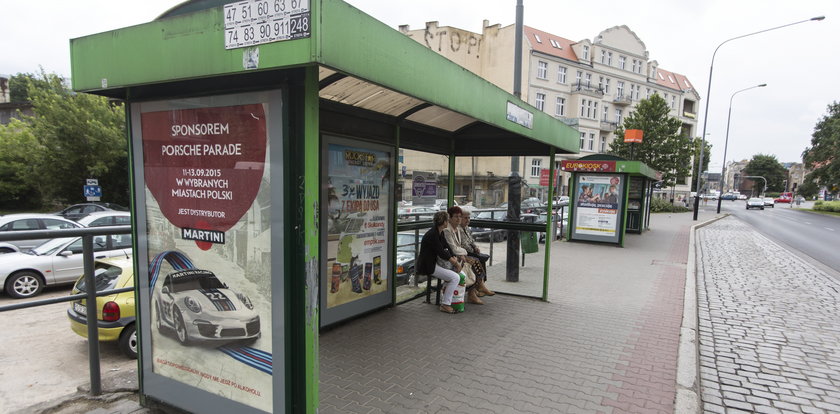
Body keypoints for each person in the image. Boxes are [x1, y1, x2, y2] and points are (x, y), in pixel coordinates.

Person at [417, 211, 462, 314]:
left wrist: (453, 256)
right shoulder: (433, 234)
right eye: (448, 220)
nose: (449, 222)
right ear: (445, 222)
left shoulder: (439, 232)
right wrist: (455, 263)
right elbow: (441, 252)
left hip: (435, 263)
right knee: (455, 277)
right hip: (429, 265)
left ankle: (446, 299)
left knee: (457, 275)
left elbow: (446, 247)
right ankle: (445, 304)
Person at [442, 206, 485, 305]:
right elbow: (454, 248)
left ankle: (477, 287)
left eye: (460, 217)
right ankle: (475, 290)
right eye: (456, 217)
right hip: (450, 259)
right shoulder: (447, 230)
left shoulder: (457, 229)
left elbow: (460, 246)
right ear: (450, 218)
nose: (459, 219)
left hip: (457, 256)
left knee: (476, 260)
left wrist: (462, 253)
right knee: (474, 261)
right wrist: (463, 253)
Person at [459, 207, 495, 297]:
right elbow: (463, 245)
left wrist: (475, 247)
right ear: (460, 218)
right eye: (465, 218)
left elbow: (471, 240)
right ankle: (479, 287)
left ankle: (480, 286)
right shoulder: (458, 229)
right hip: (463, 253)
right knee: (476, 260)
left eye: (469, 218)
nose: (467, 220)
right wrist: (473, 251)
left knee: (481, 260)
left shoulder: (466, 228)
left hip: (469, 252)